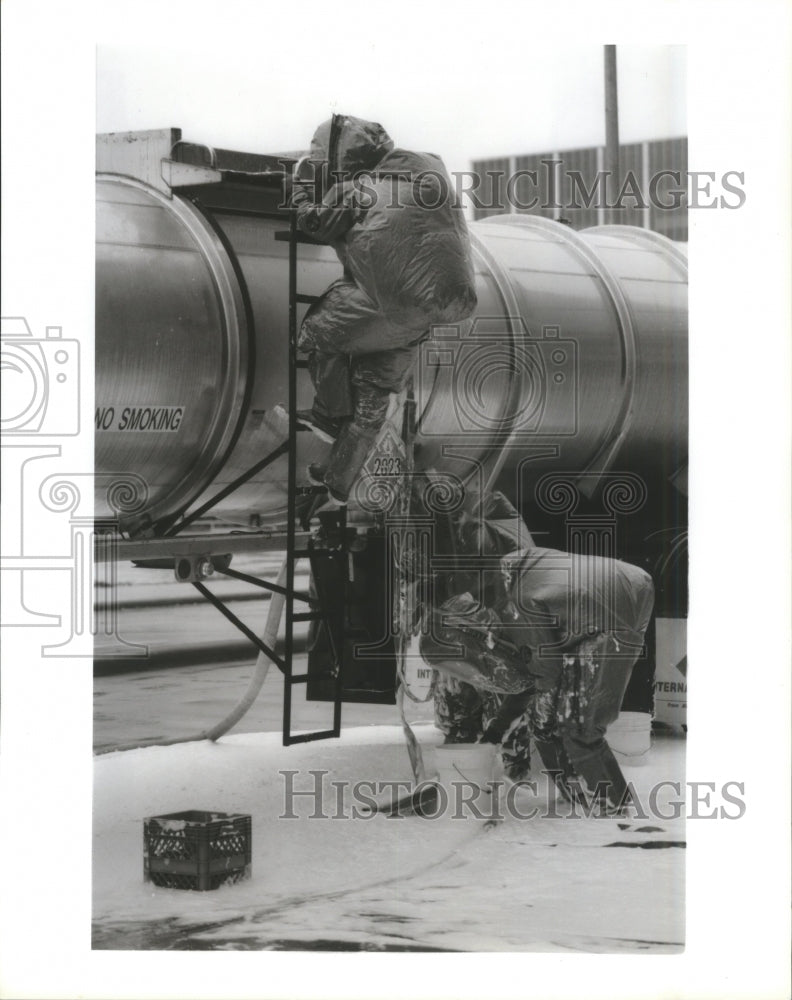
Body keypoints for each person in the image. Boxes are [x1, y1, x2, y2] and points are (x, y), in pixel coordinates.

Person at [421, 492, 655, 816]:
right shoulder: (512, 563)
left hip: (612, 614)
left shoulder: (516, 601)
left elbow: (544, 678)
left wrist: (495, 730)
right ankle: (584, 796)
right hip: (611, 598)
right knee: (559, 719)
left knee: (579, 730)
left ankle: (616, 813)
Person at [287, 114, 477, 504]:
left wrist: (302, 190)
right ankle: (338, 481)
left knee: (316, 333)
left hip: (382, 304)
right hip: (430, 313)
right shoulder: (433, 184)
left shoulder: (358, 189)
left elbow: (315, 223)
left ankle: (326, 413)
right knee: (374, 394)